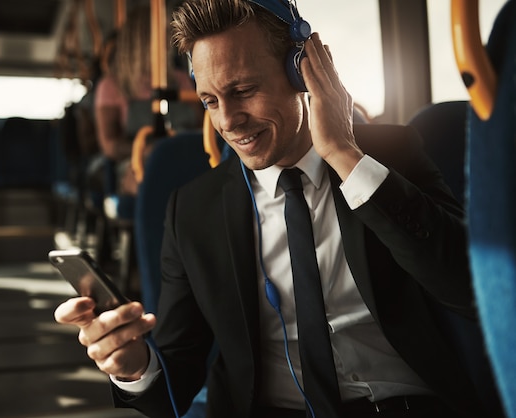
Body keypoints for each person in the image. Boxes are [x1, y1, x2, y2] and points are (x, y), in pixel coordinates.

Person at [55, 0, 491, 417]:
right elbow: (175, 386)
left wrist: (344, 154)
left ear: (302, 72)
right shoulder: (192, 210)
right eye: (210, 101)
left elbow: (466, 289)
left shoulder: (392, 156)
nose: (227, 120)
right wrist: (134, 367)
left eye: (243, 90)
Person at [93, 4, 200, 196]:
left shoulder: (180, 79)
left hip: (183, 156)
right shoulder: (112, 86)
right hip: (138, 162)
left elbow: (202, 126)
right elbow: (110, 146)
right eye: (166, 32)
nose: (171, 39)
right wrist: (148, 149)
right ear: (144, 37)